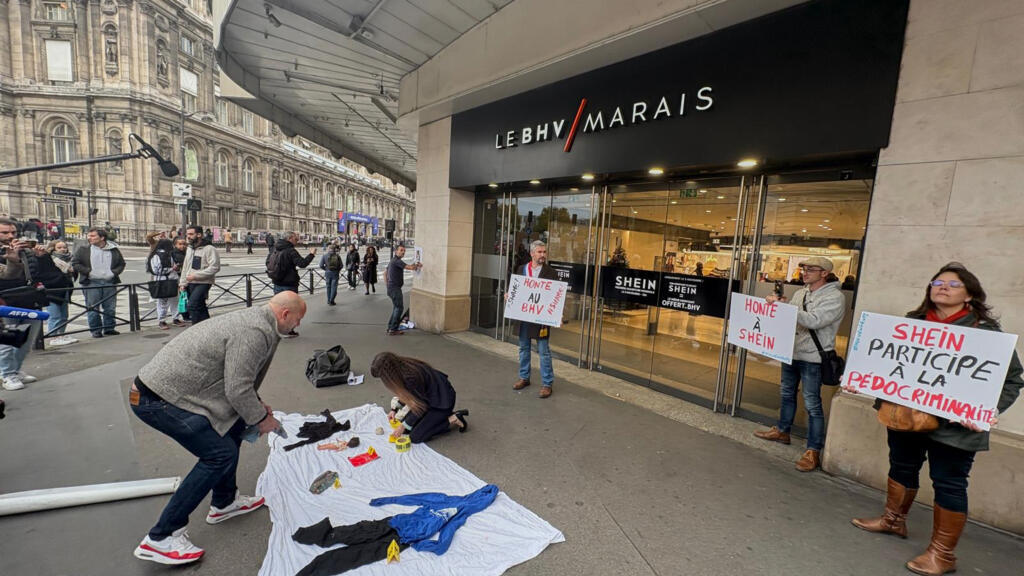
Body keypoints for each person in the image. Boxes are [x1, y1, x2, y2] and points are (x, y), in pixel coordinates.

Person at [846, 262, 1022, 576]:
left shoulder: (986, 333)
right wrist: (863, 379)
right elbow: (886, 362)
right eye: (937, 282)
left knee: (949, 483)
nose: (942, 287)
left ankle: (943, 555)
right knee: (901, 466)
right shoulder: (911, 323)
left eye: (953, 284)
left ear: (969, 295)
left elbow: (1012, 381)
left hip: (956, 427)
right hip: (905, 415)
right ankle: (893, 520)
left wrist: (988, 409)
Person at [130, 291, 306, 566]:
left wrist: (257, 407)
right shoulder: (255, 331)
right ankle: (161, 537)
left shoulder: (257, 321)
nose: (298, 325)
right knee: (218, 455)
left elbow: (238, 380)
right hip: (158, 398)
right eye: (298, 320)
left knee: (232, 430)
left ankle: (224, 503)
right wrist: (262, 419)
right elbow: (237, 389)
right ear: (285, 315)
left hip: (167, 393)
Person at [754, 256, 846, 471]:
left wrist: (785, 308)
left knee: (812, 403)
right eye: (804, 268)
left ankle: (813, 450)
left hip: (813, 357)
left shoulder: (835, 297)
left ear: (824, 273)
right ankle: (783, 430)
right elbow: (791, 319)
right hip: (792, 352)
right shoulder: (801, 292)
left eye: (811, 269)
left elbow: (815, 320)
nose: (805, 272)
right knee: (786, 393)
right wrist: (780, 306)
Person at [372, 351, 468, 444]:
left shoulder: (410, 378)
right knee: (407, 428)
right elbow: (407, 394)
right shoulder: (403, 366)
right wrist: (395, 409)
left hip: (442, 402)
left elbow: (421, 406)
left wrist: (403, 426)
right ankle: (435, 420)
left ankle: (453, 418)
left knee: (415, 437)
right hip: (431, 399)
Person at [510, 240, 559, 398]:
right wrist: (509, 296)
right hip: (524, 316)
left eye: (544, 252)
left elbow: (555, 296)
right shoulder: (521, 269)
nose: (543, 255)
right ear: (532, 253)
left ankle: (547, 383)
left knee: (544, 351)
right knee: (523, 348)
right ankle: (524, 377)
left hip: (541, 318)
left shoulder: (551, 273)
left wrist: (557, 311)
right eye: (539, 252)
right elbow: (516, 290)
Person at [0, 219, 41, 391]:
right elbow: (7, 276)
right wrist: (12, 259)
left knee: (25, 340)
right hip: (5, 301)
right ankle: (7, 374)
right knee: (7, 342)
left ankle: (15, 370)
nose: (10, 236)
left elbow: (37, 273)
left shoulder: (24, 250)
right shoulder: (9, 253)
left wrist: (42, 257)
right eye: (5, 233)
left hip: (27, 298)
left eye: (13, 232)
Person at [71, 227, 126, 338]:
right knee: (92, 307)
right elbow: (75, 263)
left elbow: (121, 263)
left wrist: (113, 272)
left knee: (110, 307)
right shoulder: (83, 249)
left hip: (109, 281)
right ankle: (95, 330)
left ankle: (109, 328)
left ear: (102, 237)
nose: (89, 238)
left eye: (92, 236)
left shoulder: (113, 249)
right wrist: (88, 272)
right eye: (89, 235)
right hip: (91, 282)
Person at [36, 241, 77, 347]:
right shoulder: (50, 259)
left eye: (64, 247)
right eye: (59, 247)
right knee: (55, 315)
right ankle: (53, 336)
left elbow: (74, 273)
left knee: (64, 315)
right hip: (53, 290)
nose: (63, 249)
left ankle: (61, 335)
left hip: (66, 289)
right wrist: (62, 276)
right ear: (53, 249)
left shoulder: (69, 259)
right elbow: (46, 274)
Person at [179, 225, 220, 325]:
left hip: (204, 282)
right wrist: (182, 283)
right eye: (187, 234)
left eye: (191, 234)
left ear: (199, 235)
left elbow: (215, 267)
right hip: (190, 281)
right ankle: (208, 326)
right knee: (200, 306)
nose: (188, 236)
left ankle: (196, 329)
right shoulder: (190, 248)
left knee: (192, 305)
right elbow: (186, 266)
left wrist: (196, 275)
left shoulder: (209, 249)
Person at [384, 244, 421, 336]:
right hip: (395, 288)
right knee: (399, 308)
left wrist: (388, 286)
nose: (403, 252)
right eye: (401, 250)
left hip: (392, 288)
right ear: (396, 251)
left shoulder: (394, 261)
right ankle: (393, 329)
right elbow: (410, 267)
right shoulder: (396, 261)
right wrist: (418, 265)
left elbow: (385, 273)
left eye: (404, 250)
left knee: (396, 308)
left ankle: (391, 327)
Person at [148, 239, 178, 330]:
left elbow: (155, 270)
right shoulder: (159, 255)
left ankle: (165, 320)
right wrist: (172, 269)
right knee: (168, 301)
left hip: (166, 279)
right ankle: (167, 319)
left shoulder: (157, 255)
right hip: (167, 280)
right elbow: (157, 270)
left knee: (166, 301)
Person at [171, 237, 190, 326]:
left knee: (186, 296)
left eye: (184, 244)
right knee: (183, 297)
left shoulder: (186, 252)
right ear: (175, 245)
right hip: (179, 278)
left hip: (187, 277)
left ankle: (186, 314)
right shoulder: (175, 253)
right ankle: (184, 315)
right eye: (180, 244)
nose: (183, 246)